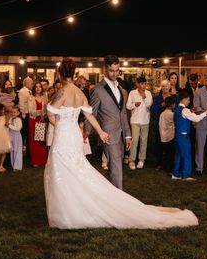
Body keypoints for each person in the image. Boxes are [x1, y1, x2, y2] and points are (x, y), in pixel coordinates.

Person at [44, 58, 198, 229]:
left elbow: (49, 112)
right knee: (76, 170)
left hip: (65, 135)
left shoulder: (62, 92)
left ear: (59, 74)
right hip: (74, 135)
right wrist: (100, 132)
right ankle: (85, 206)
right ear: (73, 73)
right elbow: (90, 114)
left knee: (63, 171)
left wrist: (61, 126)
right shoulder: (81, 94)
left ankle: (77, 210)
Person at [84, 55, 132, 190]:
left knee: (115, 168)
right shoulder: (97, 90)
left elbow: (122, 113)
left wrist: (127, 134)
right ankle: (118, 203)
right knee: (117, 169)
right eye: (112, 70)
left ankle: (105, 195)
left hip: (122, 134)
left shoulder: (120, 88)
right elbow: (91, 113)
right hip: (108, 135)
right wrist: (86, 132)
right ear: (105, 69)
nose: (115, 74)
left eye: (117, 70)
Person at [172, 90, 207, 180]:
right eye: (188, 100)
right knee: (186, 155)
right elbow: (196, 119)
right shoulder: (185, 110)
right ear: (184, 99)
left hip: (177, 135)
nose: (189, 101)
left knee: (178, 154)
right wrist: (205, 113)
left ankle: (175, 174)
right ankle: (185, 175)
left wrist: (190, 111)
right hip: (183, 136)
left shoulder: (177, 109)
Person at [126, 76, 153, 170]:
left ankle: (141, 159)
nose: (143, 86)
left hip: (145, 120)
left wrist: (144, 98)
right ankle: (131, 160)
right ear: (137, 84)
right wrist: (134, 104)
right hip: (135, 120)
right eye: (141, 84)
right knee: (134, 140)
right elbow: (128, 106)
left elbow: (149, 105)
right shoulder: (132, 93)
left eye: (144, 84)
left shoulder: (148, 93)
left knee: (144, 140)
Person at [28, 83, 48, 167]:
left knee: (42, 140)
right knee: (34, 141)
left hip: (42, 120)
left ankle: (43, 160)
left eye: (40, 86)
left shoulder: (45, 97)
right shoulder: (30, 98)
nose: (38, 88)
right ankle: (35, 161)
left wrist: (45, 114)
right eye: (36, 87)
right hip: (33, 120)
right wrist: (41, 112)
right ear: (34, 89)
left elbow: (47, 108)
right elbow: (30, 111)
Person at [158, 96, 176, 173]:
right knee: (170, 154)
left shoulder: (162, 114)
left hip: (163, 136)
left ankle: (165, 166)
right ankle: (169, 168)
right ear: (172, 105)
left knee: (166, 153)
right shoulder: (171, 114)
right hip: (170, 136)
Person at [8, 105, 23, 171]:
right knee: (12, 151)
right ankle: (13, 164)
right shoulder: (11, 119)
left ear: (18, 113)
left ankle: (17, 166)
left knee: (17, 151)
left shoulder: (18, 120)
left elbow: (18, 128)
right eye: (12, 112)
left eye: (14, 112)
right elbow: (8, 126)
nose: (13, 113)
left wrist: (9, 125)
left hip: (17, 136)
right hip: (11, 136)